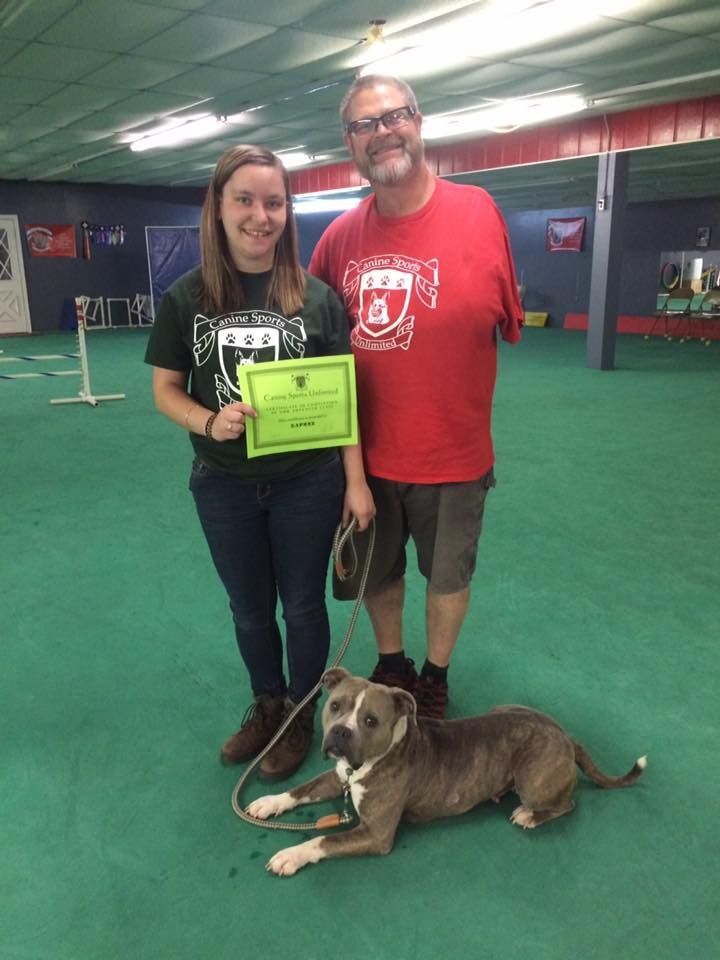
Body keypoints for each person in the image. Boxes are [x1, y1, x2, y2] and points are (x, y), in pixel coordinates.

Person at [145, 145, 374, 780]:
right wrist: (208, 420)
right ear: (218, 209)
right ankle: (267, 705)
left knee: (302, 606)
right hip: (222, 485)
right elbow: (165, 389)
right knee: (248, 609)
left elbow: (344, 401)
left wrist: (355, 482)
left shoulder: (319, 299)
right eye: (244, 199)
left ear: (287, 212)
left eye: (273, 202)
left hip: (308, 483)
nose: (259, 215)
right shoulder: (185, 298)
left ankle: (302, 712)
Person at [309, 75, 523, 719]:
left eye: (393, 116)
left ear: (419, 120)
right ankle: (392, 660)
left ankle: (433, 675)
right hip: (363, 460)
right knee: (378, 575)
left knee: (448, 576)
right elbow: (310, 347)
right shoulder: (338, 239)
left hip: (453, 455)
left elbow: (505, 319)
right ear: (349, 143)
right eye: (363, 125)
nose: (382, 132)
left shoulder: (478, 212)